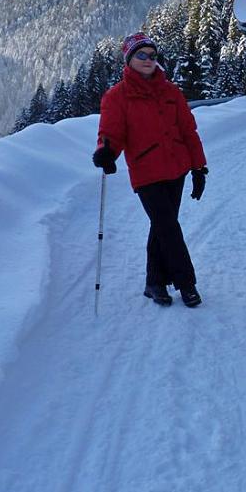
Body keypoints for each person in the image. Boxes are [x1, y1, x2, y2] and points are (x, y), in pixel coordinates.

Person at [92, 32, 209, 308]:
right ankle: (186, 283)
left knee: (161, 226)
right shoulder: (117, 97)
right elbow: (110, 133)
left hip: (176, 168)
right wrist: (106, 152)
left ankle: (154, 283)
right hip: (146, 173)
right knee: (168, 225)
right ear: (129, 59)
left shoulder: (171, 92)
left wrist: (198, 168)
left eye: (152, 55)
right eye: (141, 55)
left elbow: (188, 132)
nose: (148, 60)